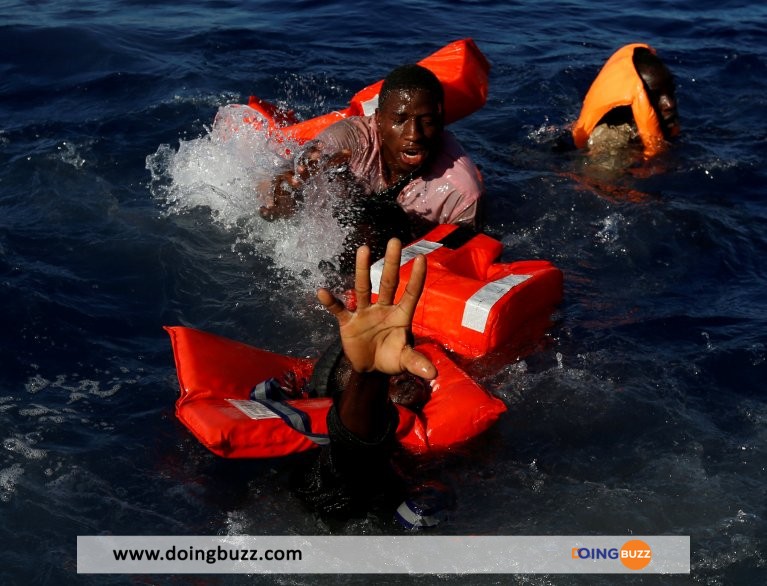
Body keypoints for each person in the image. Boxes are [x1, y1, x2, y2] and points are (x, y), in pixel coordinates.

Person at [259, 64, 484, 270]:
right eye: (399, 119)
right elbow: (285, 174)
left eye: (427, 121)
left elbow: (465, 262)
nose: (413, 134)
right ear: (378, 120)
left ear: (442, 120)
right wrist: (282, 197)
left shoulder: (460, 193)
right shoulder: (349, 142)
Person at [291, 238, 439, 517]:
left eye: (397, 367)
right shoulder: (322, 478)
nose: (399, 375)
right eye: (388, 374)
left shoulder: (425, 458)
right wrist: (370, 374)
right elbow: (352, 451)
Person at [570, 43, 680, 158]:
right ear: (627, 105)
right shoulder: (611, 143)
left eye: (670, 90)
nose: (669, 104)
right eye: (655, 96)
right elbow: (595, 175)